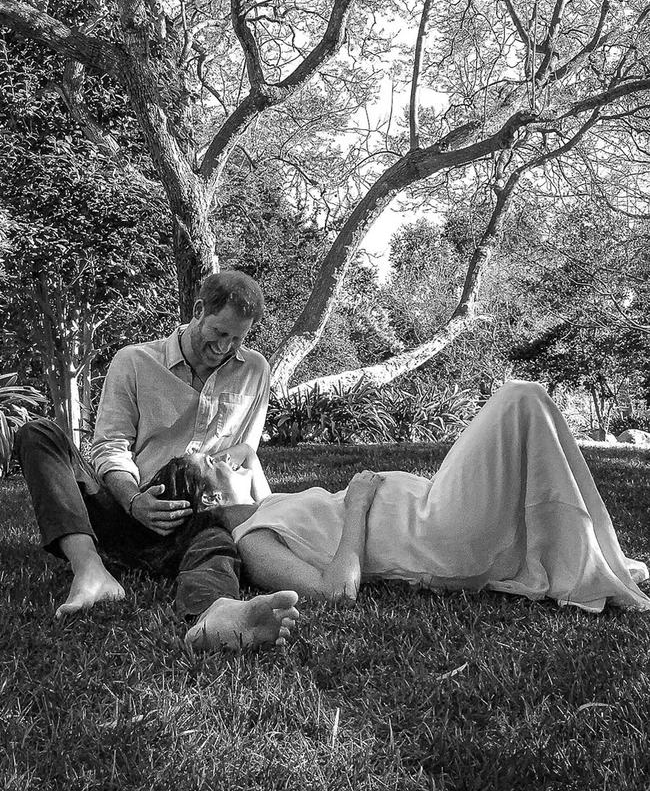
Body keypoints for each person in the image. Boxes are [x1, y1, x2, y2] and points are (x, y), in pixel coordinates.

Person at [152, 381, 650, 649]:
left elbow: (250, 461)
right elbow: (334, 592)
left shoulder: (268, 504)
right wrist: (359, 502)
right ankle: (596, 564)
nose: (224, 457)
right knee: (520, 399)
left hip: (432, 502)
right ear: (212, 500)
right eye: (211, 463)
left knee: (530, 429)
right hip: (438, 532)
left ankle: (599, 557)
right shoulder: (253, 540)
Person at [14, 271, 299, 651]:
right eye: (219, 332)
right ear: (198, 310)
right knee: (39, 433)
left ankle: (216, 614)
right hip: (126, 508)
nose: (225, 346)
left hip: (197, 520)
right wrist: (133, 500)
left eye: (238, 339)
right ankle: (90, 570)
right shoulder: (133, 361)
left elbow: (243, 455)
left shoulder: (255, 370)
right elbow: (110, 447)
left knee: (215, 545)